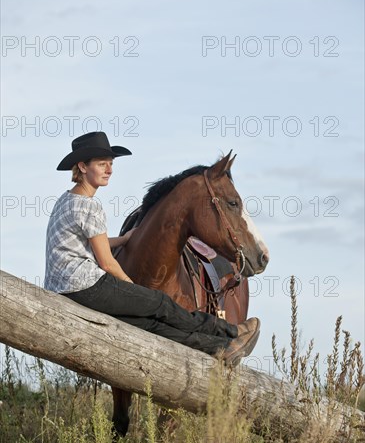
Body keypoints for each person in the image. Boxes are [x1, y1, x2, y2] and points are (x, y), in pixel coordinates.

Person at [44, 132, 260, 366]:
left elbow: (84, 245)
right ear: (82, 167)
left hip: (63, 287)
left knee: (150, 325)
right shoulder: (90, 206)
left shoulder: (66, 200)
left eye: (111, 163)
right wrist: (133, 289)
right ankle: (229, 332)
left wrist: (123, 239)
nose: (109, 169)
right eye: (101, 164)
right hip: (86, 286)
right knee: (159, 303)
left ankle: (223, 348)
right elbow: (106, 263)